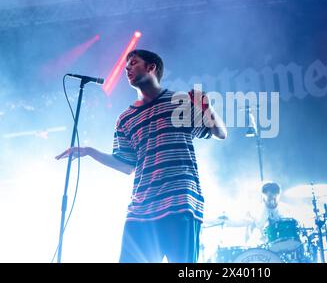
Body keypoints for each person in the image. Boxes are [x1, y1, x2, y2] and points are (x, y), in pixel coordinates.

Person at [56, 49, 227, 263]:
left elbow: (219, 133)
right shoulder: (125, 119)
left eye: (133, 63)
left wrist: (207, 107)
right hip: (141, 209)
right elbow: (126, 165)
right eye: (126, 65)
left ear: (151, 67)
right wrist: (89, 151)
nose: (126, 68)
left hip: (180, 201)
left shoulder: (179, 102)